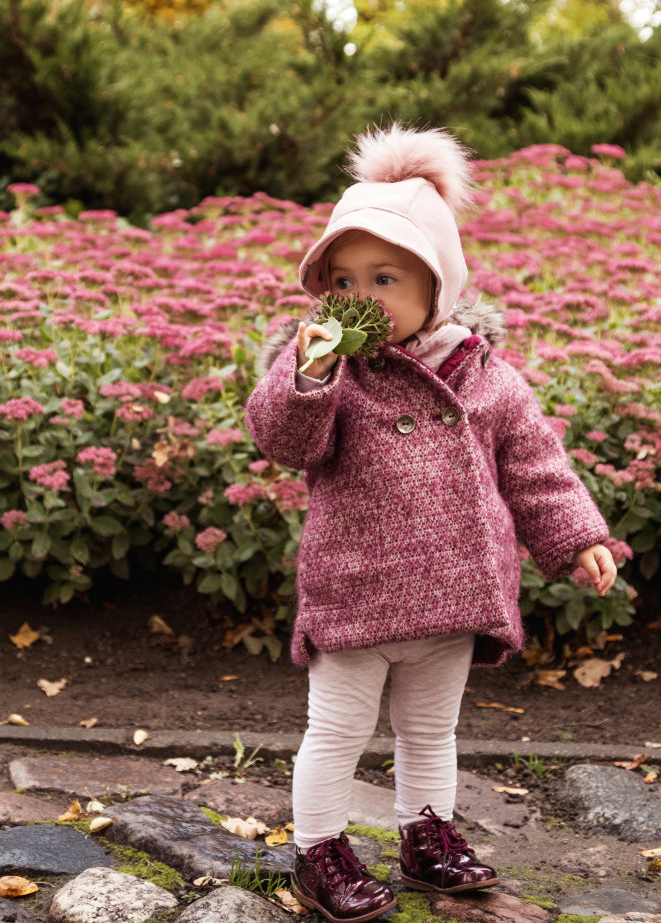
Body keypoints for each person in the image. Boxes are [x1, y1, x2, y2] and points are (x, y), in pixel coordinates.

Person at [245, 124, 616, 923]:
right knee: (335, 732)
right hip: (356, 592)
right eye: (340, 279)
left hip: (455, 593)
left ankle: (426, 836)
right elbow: (281, 440)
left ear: (436, 287)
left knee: (430, 732)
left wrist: (577, 536)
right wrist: (306, 375)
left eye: (385, 278)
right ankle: (318, 851)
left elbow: (534, 465)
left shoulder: (485, 375)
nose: (360, 297)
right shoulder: (326, 367)